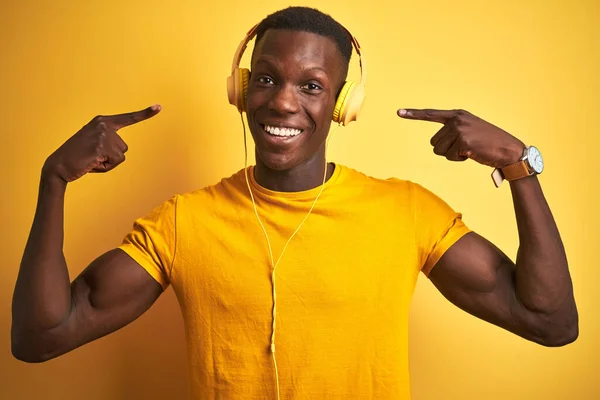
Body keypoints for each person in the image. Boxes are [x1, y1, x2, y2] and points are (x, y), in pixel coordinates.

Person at [11, 6, 577, 400]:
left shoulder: (406, 213)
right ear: (241, 90)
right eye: (265, 78)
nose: (281, 102)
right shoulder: (184, 222)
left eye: (310, 86)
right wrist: (53, 179)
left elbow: (549, 321)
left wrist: (518, 167)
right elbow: (42, 337)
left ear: (342, 103)